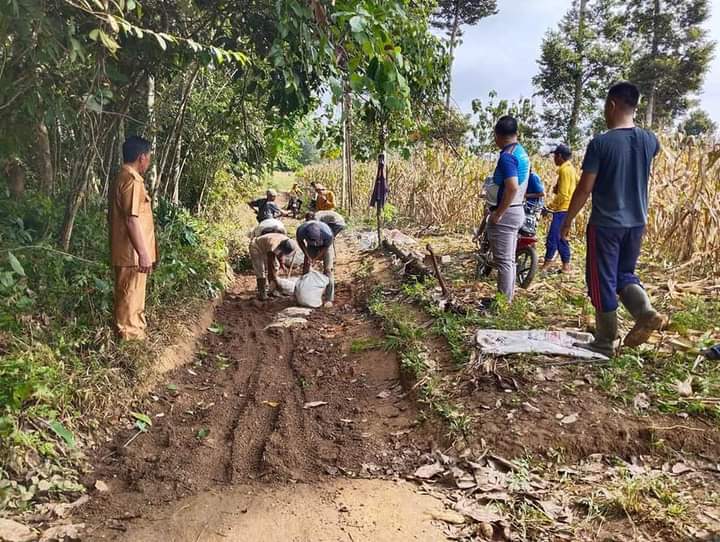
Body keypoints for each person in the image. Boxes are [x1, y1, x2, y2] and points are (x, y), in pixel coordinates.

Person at [561, 82, 666, 356]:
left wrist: (567, 220)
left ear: (611, 105)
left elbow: (585, 188)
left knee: (602, 280)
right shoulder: (649, 140)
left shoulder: (601, 143)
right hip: (636, 223)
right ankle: (645, 311)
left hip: (606, 225)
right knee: (624, 274)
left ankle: (605, 341)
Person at [109, 136, 157, 341]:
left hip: (131, 253)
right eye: (149, 158)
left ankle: (136, 337)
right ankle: (130, 343)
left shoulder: (122, 176)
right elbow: (131, 219)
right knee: (130, 299)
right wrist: (143, 253)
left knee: (133, 298)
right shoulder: (132, 180)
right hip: (132, 254)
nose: (149, 162)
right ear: (141, 157)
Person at [486, 115, 530, 302]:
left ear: (497, 135)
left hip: (507, 212)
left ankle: (502, 303)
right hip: (517, 209)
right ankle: (506, 298)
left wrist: (498, 214)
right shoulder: (521, 151)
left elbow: (511, 186)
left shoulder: (507, 157)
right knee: (509, 261)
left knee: (503, 262)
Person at [543, 144, 577, 274]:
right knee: (561, 237)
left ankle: (546, 265)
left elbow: (563, 195)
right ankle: (566, 266)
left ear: (560, 156)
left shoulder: (564, 170)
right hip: (569, 208)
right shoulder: (571, 169)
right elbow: (577, 184)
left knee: (553, 237)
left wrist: (550, 207)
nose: (554, 159)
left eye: (555, 156)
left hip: (562, 209)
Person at [296, 219, 335, 307]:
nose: (315, 242)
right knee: (306, 267)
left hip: (325, 246)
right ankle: (303, 294)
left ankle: (329, 299)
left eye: (316, 240)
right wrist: (308, 256)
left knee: (328, 270)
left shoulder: (328, 234)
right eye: (312, 240)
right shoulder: (301, 230)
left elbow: (326, 248)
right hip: (310, 247)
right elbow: (300, 242)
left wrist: (316, 258)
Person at [248, 233, 296, 300]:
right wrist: (275, 280)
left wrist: (282, 264)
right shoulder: (273, 245)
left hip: (265, 247)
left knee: (277, 266)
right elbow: (270, 265)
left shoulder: (285, 241)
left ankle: (271, 289)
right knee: (261, 271)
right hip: (256, 247)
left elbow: (280, 253)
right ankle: (262, 294)